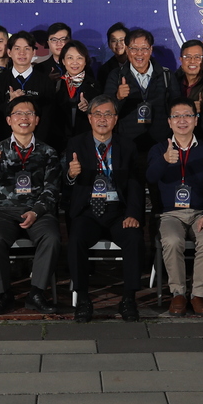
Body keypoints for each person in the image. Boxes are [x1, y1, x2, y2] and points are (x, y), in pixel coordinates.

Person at [62, 97, 144, 322]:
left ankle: (128, 299)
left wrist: (133, 214)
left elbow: (136, 182)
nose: (102, 119)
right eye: (98, 114)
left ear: (115, 119)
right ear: (89, 118)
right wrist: (71, 175)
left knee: (134, 238)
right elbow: (66, 183)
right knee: (76, 238)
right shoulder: (76, 144)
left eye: (108, 114)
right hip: (88, 210)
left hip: (118, 210)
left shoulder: (127, 145)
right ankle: (83, 298)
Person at [0, 97, 62, 314]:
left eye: (29, 114)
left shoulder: (48, 152)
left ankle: (36, 293)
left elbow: (52, 189)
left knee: (52, 237)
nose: (24, 118)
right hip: (4, 212)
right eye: (18, 113)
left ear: (37, 120)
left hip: (38, 211)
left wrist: (36, 211)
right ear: (9, 120)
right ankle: (3, 294)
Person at [147, 100, 203, 316]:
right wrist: (163, 161)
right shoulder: (159, 149)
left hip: (201, 212)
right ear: (169, 122)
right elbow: (150, 177)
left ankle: (199, 295)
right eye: (177, 116)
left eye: (187, 115)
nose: (182, 120)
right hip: (170, 214)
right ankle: (178, 294)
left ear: (196, 120)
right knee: (171, 240)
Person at [107, 28, 177, 157]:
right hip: (127, 145)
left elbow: (176, 109)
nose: (139, 54)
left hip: (161, 145)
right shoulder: (116, 76)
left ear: (151, 50)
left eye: (144, 48)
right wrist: (118, 97)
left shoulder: (167, 75)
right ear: (127, 50)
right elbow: (106, 112)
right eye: (134, 48)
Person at [0, 32, 59, 143]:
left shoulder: (45, 81)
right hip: (5, 143)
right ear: (9, 52)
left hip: (37, 144)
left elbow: (49, 117)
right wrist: (10, 102)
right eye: (17, 49)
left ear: (34, 52)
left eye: (27, 49)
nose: (22, 53)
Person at [46, 40, 102, 146]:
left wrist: (89, 108)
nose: (75, 62)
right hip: (58, 143)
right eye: (70, 58)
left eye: (79, 58)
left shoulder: (95, 86)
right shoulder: (55, 84)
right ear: (63, 61)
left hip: (86, 143)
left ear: (85, 61)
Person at [174, 39, 203, 106]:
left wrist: (201, 111)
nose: (192, 61)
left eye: (197, 57)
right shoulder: (169, 83)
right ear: (181, 60)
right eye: (188, 57)